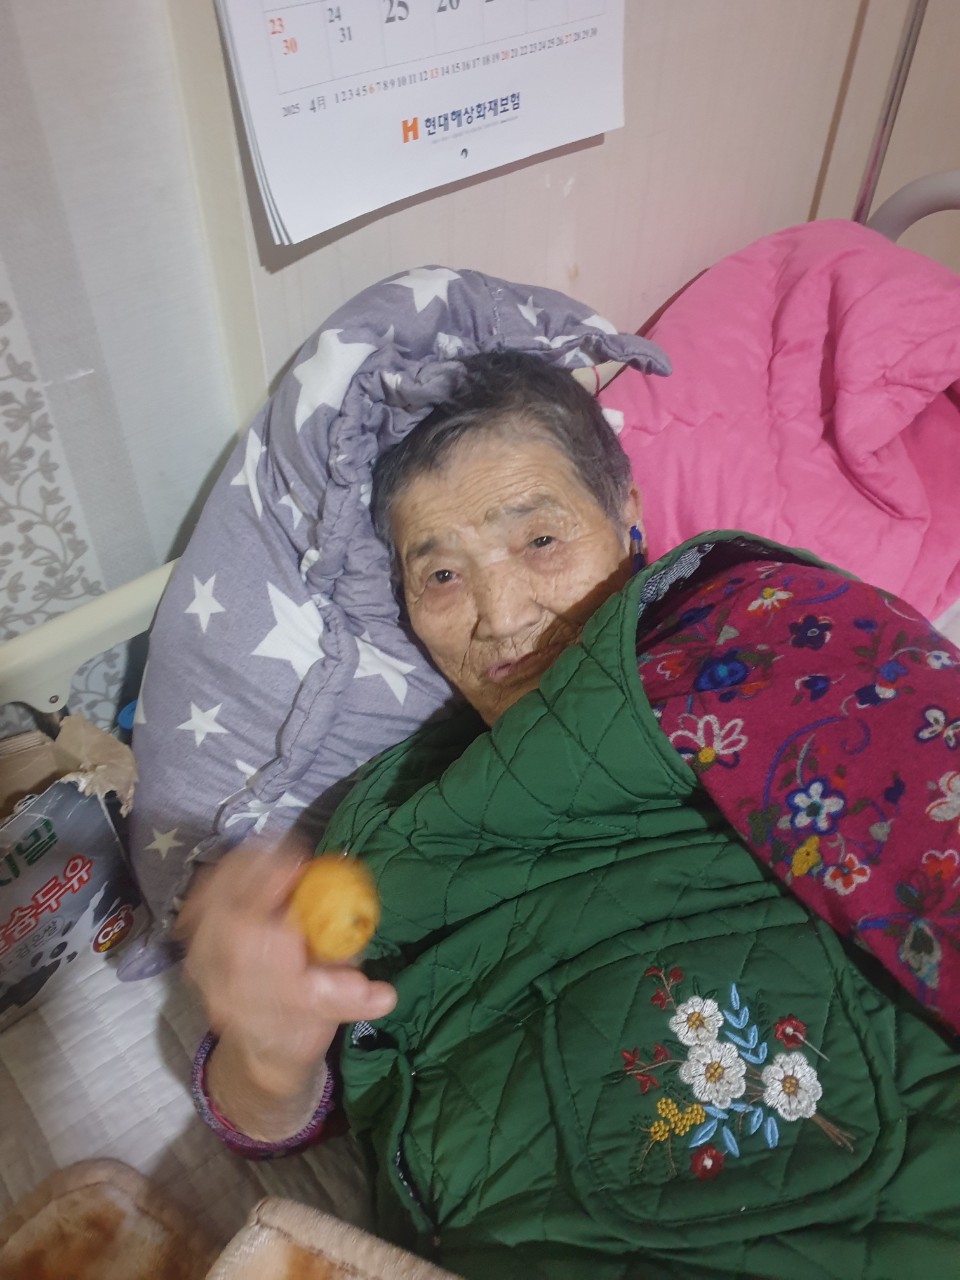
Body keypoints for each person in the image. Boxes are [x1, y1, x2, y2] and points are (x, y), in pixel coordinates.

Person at [179, 352, 960, 1279]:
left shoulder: (765, 630)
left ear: (627, 513)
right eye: (441, 575)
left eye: (540, 540)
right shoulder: (376, 819)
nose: (501, 614)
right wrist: (269, 1057)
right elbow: (276, 1117)